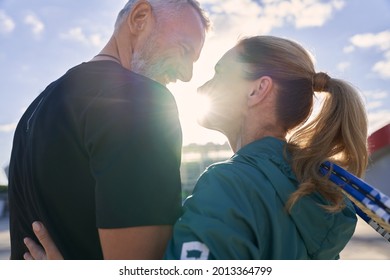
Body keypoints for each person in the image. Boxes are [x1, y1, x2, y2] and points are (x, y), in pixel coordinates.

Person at [24, 35, 368, 260]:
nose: (202, 85)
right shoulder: (314, 192)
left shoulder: (230, 186)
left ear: (257, 90)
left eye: (219, 74)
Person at [8, 0, 210, 260]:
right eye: (184, 50)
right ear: (139, 18)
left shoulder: (36, 108)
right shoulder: (141, 99)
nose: (187, 75)